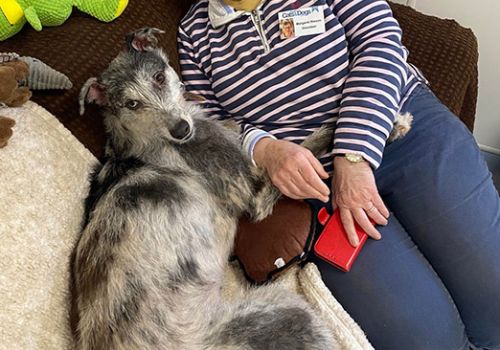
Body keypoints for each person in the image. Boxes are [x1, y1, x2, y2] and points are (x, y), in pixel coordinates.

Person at [177, 0, 500, 348]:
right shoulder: (194, 31)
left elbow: (380, 41)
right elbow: (204, 126)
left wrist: (354, 152)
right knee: (429, 341)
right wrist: (264, 149)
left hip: (406, 130)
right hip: (316, 185)